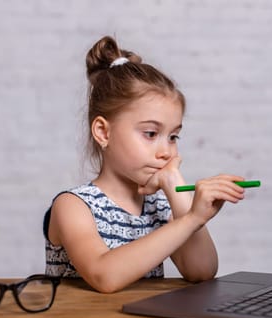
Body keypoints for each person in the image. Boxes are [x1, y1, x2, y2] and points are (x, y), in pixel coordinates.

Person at [43, 35, 246, 293]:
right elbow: (104, 276)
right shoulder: (72, 205)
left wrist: (178, 192)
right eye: (150, 134)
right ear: (104, 133)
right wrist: (191, 218)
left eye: (173, 137)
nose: (165, 151)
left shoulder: (158, 207)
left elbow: (202, 271)